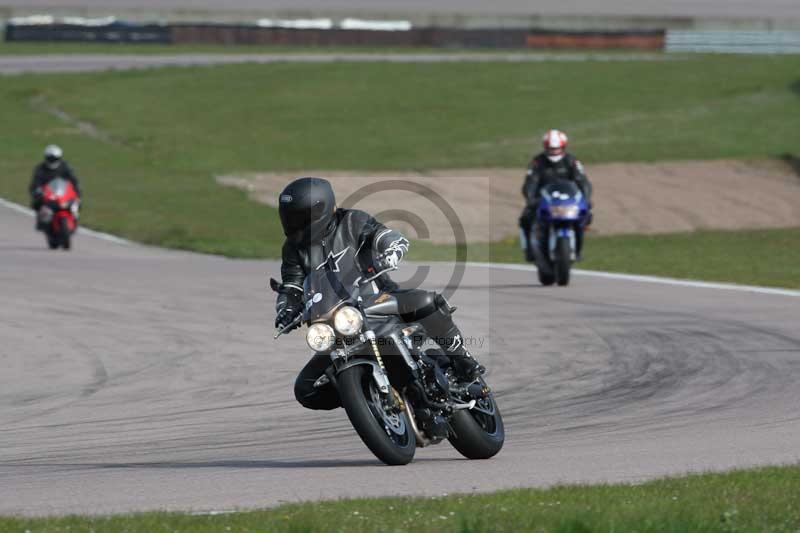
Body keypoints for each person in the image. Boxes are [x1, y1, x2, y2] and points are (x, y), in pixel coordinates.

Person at [274, 177, 483, 411]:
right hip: (335, 325)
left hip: (378, 299)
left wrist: (391, 249)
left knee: (427, 302)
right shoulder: (292, 249)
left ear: (322, 210)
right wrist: (285, 308)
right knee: (306, 390)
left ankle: (462, 359)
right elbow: (291, 285)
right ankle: (365, 397)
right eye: (290, 218)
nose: (295, 224)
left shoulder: (351, 221)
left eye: (301, 217)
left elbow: (381, 235)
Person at [519, 129, 592, 261]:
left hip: (568, 202)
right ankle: (529, 250)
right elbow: (530, 183)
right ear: (545, 147)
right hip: (544, 200)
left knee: (585, 216)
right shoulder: (537, 162)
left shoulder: (572, 162)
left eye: (556, 149)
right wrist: (530, 199)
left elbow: (583, 182)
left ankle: (578, 250)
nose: (554, 152)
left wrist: (585, 199)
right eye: (551, 149)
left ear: (563, 147)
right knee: (525, 219)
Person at [29, 145, 82, 229]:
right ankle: (41, 221)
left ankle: (75, 217)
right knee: (36, 203)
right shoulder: (40, 168)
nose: (52, 160)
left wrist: (77, 189)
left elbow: (73, 179)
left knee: (77, 201)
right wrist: (37, 190)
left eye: (54, 158)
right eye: (50, 158)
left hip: (62, 191)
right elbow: (36, 181)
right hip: (47, 193)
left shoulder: (65, 166)